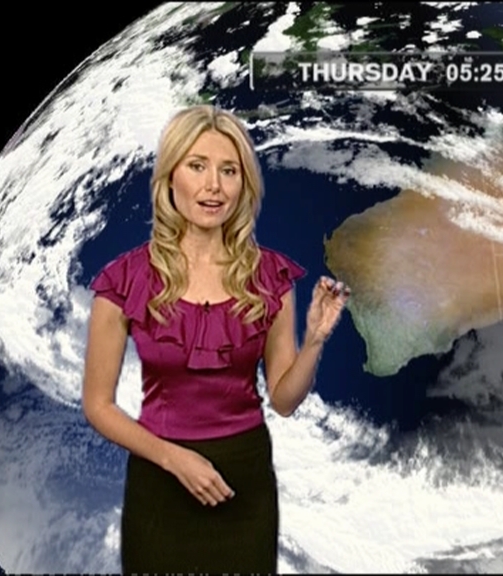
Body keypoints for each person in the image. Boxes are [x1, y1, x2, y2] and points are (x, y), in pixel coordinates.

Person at [81, 104, 349, 574]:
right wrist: (173, 459)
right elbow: (97, 405)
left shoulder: (270, 277)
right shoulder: (125, 278)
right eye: (197, 166)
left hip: (244, 486)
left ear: (243, 184)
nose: (214, 186)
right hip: (159, 484)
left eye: (229, 171)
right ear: (170, 176)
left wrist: (314, 341)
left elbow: (284, 400)